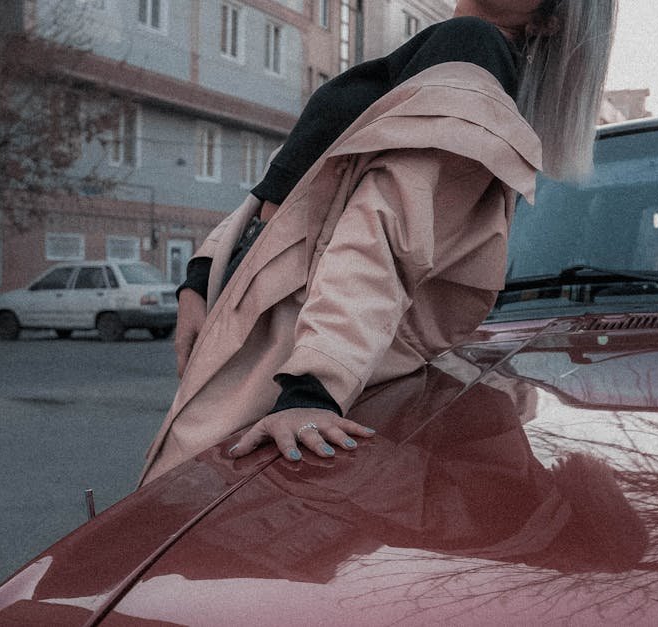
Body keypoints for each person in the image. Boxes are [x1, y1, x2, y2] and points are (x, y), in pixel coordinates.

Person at [139, 0, 617, 485]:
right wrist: (201, 278)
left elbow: (386, 228)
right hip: (258, 298)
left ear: (546, 20)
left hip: (296, 328)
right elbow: (289, 185)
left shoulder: (474, 48)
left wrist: (313, 389)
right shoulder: (443, 48)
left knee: (192, 502)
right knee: (185, 503)